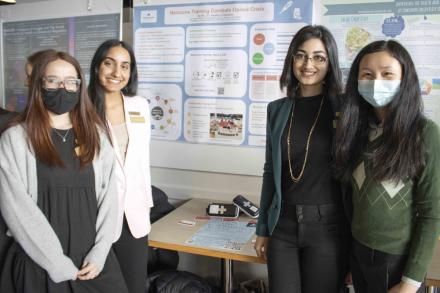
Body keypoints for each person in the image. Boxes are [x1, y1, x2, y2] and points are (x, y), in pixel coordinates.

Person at [0, 50, 129, 293]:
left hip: (93, 262)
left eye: (71, 81)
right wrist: (57, 264)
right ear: (38, 85)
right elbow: (18, 211)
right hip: (41, 262)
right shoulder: (15, 139)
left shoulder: (96, 136)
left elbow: (110, 200)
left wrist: (100, 254)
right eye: (53, 81)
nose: (63, 88)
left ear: (80, 87)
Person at [334, 40, 440, 293]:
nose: (376, 81)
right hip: (359, 252)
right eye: (367, 74)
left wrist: (410, 282)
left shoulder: (425, 133)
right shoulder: (355, 132)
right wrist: (350, 258)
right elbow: (351, 202)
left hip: (396, 261)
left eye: (387, 73)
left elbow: (431, 214)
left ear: (405, 79)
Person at [254, 25, 349, 292]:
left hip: (328, 227)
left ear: (330, 63)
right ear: (291, 60)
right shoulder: (277, 110)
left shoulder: (344, 109)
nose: (308, 64)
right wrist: (263, 227)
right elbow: (270, 173)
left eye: (319, 57)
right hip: (282, 225)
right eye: (301, 55)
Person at [89, 39, 153, 293]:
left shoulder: (140, 106)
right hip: (94, 215)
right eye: (109, 63)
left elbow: (140, 161)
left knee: (134, 286)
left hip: (133, 216)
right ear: (97, 67)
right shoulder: (80, 108)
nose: (117, 73)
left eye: (125, 66)